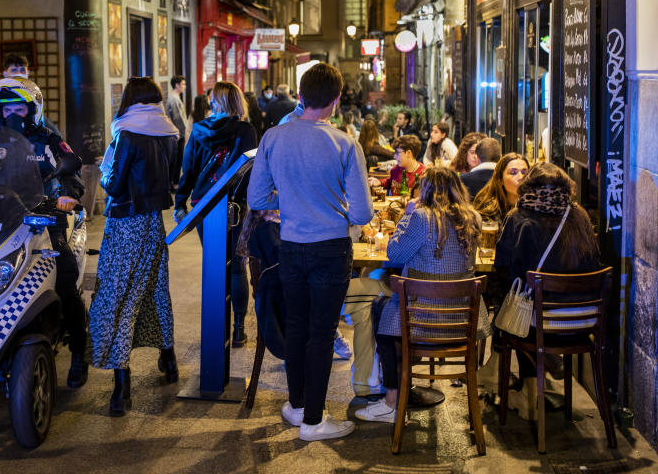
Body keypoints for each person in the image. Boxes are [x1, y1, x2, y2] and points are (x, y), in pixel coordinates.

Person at [247, 62, 372, 441]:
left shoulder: (273, 138)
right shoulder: (345, 143)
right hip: (331, 249)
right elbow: (363, 212)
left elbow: (256, 198)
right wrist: (334, 208)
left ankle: (297, 405)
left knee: (298, 327)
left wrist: (284, 205)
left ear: (300, 97)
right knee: (322, 332)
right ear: (336, 101)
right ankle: (314, 422)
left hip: (291, 246)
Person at [0, 79, 90, 388]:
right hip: (2, 218)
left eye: (19, 108)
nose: (13, 114)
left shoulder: (49, 140)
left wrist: (68, 194)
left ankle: (79, 351)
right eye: (6, 109)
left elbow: (73, 175)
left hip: (46, 217)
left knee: (64, 279)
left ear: (33, 110)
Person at [356, 167, 487, 423]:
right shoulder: (473, 218)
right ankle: (403, 386)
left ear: (425, 191)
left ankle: (392, 400)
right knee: (389, 310)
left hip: (420, 321)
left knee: (381, 310)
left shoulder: (420, 217)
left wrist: (406, 216)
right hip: (463, 323)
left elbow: (394, 254)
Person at [92, 77, 180, 416]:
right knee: (157, 290)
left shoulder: (125, 134)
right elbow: (173, 178)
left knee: (119, 297)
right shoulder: (170, 132)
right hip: (154, 223)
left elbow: (113, 185)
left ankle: (122, 385)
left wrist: (102, 170)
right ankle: (169, 361)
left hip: (126, 222)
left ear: (129, 99)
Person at [493, 163, 601, 419]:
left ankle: (529, 394)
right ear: (566, 188)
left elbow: (503, 269)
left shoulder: (519, 219)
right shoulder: (580, 217)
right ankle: (545, 372)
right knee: (528, 306)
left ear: (527, 187)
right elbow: (594, 260)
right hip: (584, 320)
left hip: (540, 323)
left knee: (514, 309)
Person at [175, 81, 257, 346]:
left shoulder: (199, 130)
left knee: (214, 264)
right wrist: (245, 203)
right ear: (237, 102)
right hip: (233, 204)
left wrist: (180, 202)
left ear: (214, 102)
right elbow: (249, 171)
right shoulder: (246, 131)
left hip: (203, 204)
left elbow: (188, 169)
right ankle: (238, 329)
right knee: (236, 266)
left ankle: (216, 328)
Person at [473, 152, 530, 223]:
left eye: (524, 173)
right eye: (513, 173)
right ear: (500, 179)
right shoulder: (488, 211)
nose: (521, 177)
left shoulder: (533, 207)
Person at [164, 75, 188, 186]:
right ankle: (174, 183)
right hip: (177, 135)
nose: (185, 87)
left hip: (176, 134)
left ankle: (174, 182)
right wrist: (185, 132)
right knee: (176, 160)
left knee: (177, 160)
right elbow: (178, 119)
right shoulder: (173, 99)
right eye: (183, 84)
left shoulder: (175, 98)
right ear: (177, 85)